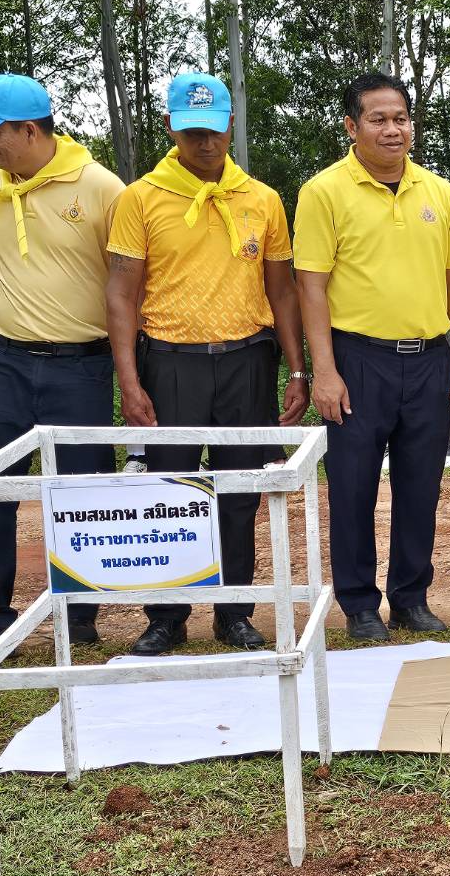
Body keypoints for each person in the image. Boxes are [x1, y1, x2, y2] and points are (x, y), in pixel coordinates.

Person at [105, 72, 307, 656]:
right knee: (172, 490)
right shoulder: (140, 197)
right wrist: (130, 380)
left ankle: (234, 611)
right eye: (193, 132)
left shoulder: (262, 199)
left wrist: (296, 370)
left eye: (214, 131)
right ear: (172, 127)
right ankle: (167, 615)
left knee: (238, 490)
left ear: (230, 126)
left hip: (247, 361)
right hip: (169, 362)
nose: (205, 144)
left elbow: (283, 290)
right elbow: (121, 292)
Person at [294, 72, 450, 641]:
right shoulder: (324, 191)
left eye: (400, 118)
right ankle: (358, 604)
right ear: (352, 127)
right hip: (357, 360)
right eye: (377, 119)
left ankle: (410, 596)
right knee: (352, 485)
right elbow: (311, 286)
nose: (392, 129)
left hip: (428, 359)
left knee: (420, 483)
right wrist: (323, 370)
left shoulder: (439, 193)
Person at [0, 75, 125, 643]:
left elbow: (129, 283)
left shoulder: (100, 188)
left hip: (81, 366)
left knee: (81, 496)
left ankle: (80, 620)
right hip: (5, 364)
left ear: (28, 129)